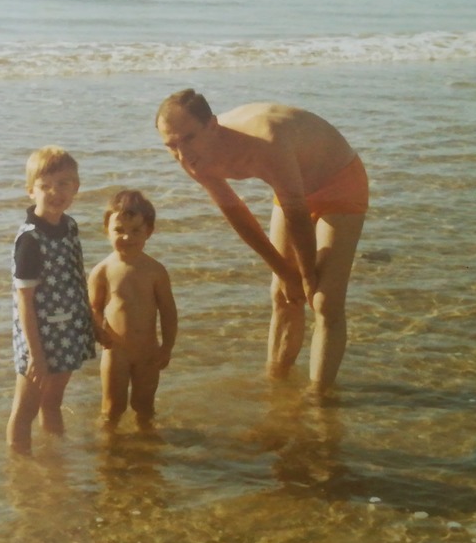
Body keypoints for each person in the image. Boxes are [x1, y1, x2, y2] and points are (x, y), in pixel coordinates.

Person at [154, 89, 368, 393]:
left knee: (323, 299)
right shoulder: (191, 158)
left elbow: (296, 211)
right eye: (171, 145)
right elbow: (236, 213)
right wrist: (285, 273)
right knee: (283, 293)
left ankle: (319, 397)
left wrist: (306, 276)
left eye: (188, 139)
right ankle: (277, 384)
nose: (181, 153)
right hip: (291, 185)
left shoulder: (265, 139)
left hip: (339, 181)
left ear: (212, 126)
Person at [7, 147, 97, 452]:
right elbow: (25, 302)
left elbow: (76, 279)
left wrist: (93, 324)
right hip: (39, 340)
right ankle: (21, 472)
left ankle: (55, 465)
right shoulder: (30, 241)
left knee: (53, 403)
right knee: (25, 412)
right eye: (46, 186)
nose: (55, 193)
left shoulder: (69, 226)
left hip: (68, 330)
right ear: (31, 191)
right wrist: (36, 356)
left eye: (63, 184)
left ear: (76, 188)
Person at [88, 190, 179, 429]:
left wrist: (167, 346)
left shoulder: (155, 271)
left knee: (145, 406)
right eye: (119, 230)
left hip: (148, 353)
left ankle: (146, 452)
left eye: (136, 230)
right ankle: (108, 452)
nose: (127, 237)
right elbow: (93, 308)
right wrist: (99, 331)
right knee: (112, 408)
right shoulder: (102, 271)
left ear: (149, 231)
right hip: (115, 352)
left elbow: (168, 311)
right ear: (106, 230)